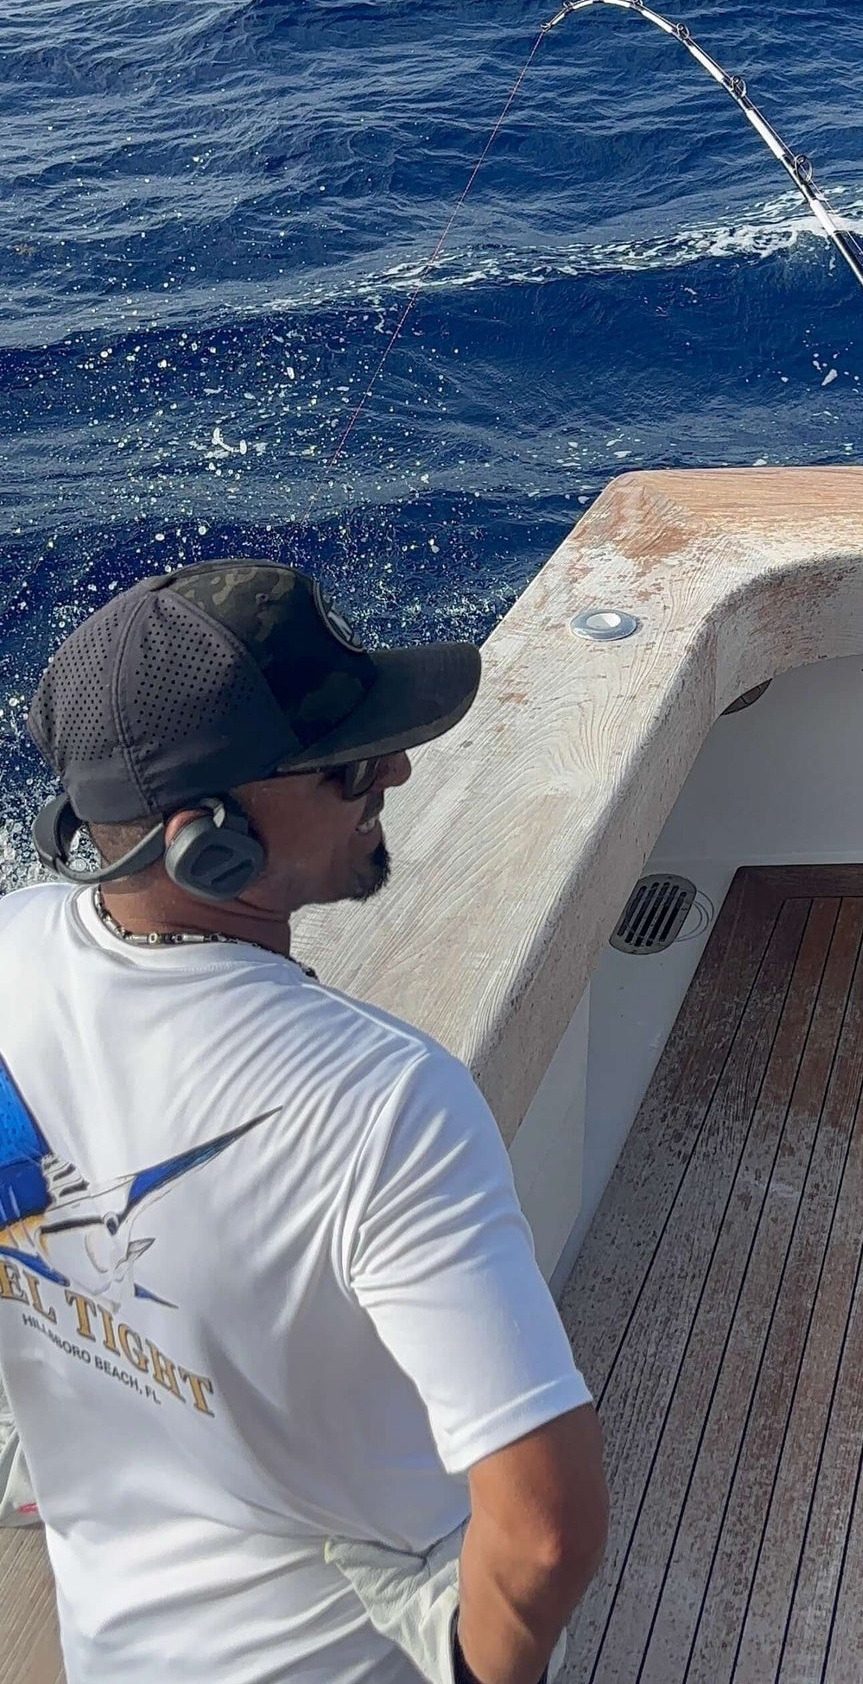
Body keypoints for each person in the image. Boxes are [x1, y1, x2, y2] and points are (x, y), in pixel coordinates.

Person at [0, 560, 608, 1682]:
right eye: (342, 770)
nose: (397, 767)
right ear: (204, 840)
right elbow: (543, 1530)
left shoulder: (11, 947)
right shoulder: (384, 1107)